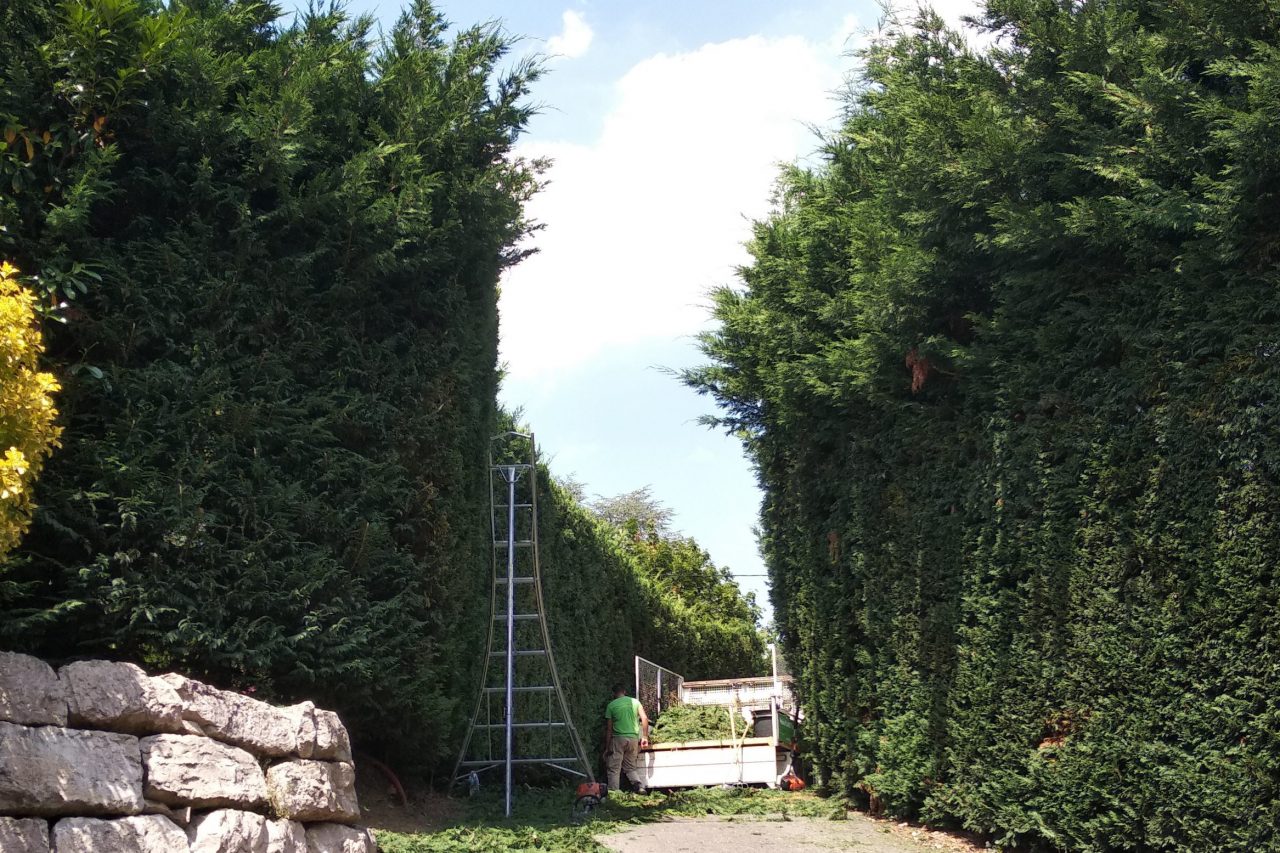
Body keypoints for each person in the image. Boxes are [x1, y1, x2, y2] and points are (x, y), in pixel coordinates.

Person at [602, 683, 649, 794]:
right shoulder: (635, 702)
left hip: (618, 739)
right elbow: (644, 718)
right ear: (624, 691)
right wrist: (645, 736)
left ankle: (615, 792)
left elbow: (609, 729)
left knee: (614, 766)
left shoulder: (611, 706)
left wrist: (607, 747)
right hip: (633, 738)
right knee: (630, 766)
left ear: (614, 693)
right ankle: (638, 786)